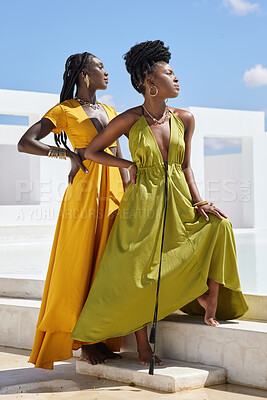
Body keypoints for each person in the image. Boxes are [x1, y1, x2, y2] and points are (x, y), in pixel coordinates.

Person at [70, 41, 248, 372]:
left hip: (180, 198)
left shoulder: (185, 118)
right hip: (143, 203)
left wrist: (200, 202)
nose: (176, 79)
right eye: (169, 73)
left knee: (219, 226)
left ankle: (208, 297)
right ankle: (142, 345)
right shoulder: (129, 119)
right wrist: (127, 163)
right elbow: (91, 152)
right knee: (137, 272)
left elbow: (185, 167)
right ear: (149, 82)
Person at [17, 52, 127, 369]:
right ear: (83, 73)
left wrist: (129, 186)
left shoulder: (110, 110)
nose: (107, 71)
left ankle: (102, 335)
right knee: (81, 262)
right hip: (85, 192)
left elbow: (120, 154)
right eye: (100, 67)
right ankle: (84, 341)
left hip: (115, 191)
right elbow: (26, 142)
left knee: (109, 263)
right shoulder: (65, 110)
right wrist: (66, 153)